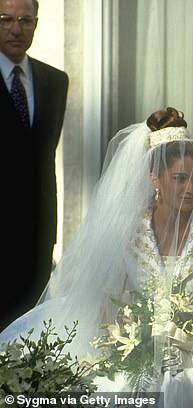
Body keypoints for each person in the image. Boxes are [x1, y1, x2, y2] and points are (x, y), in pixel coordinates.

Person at [0, 108, 193, 407]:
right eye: (180, 178)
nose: (191, 189)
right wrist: (130, 347)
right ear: (154, 179)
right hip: (134, 351)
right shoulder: (128, 230)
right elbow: (107, 307)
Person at [0, 0, 69, 331]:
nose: (16, 29)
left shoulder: (54, 81)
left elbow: (42, 160)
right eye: (6, 19)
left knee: (30, 342)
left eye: (25, 20)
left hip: (37, 240)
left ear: (36, 23)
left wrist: (49, 238)